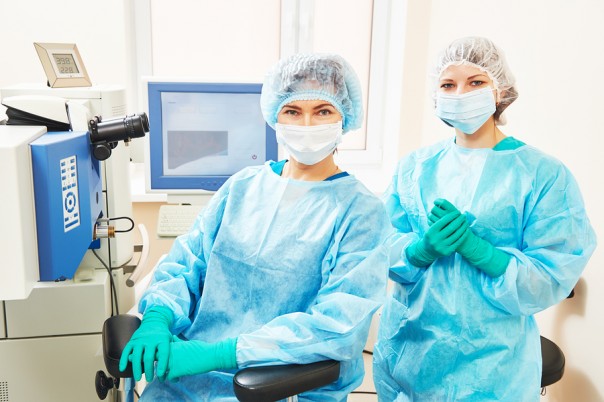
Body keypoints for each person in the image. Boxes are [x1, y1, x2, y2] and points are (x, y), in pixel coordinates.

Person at [120, 53, 394, 400]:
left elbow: (338, 327)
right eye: (293, 111)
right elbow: (187, 263)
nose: (307, 124)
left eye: (323, 111)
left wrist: (218, 355)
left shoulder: (362, 211)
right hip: (182, 380)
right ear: (274, 116)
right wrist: (158, 317)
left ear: (344, 117)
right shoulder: (243, 186)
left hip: (278, 386)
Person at [373, 36, 597, 401]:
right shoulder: (415, 168)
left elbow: (554, 271)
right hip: (413, 350)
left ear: (500, 90)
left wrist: (483, 252)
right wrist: (419, 250)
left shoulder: (541, 174)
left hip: (493, 365)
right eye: (448, 84)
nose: (460, 93)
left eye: (475, 82)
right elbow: (380, 245)